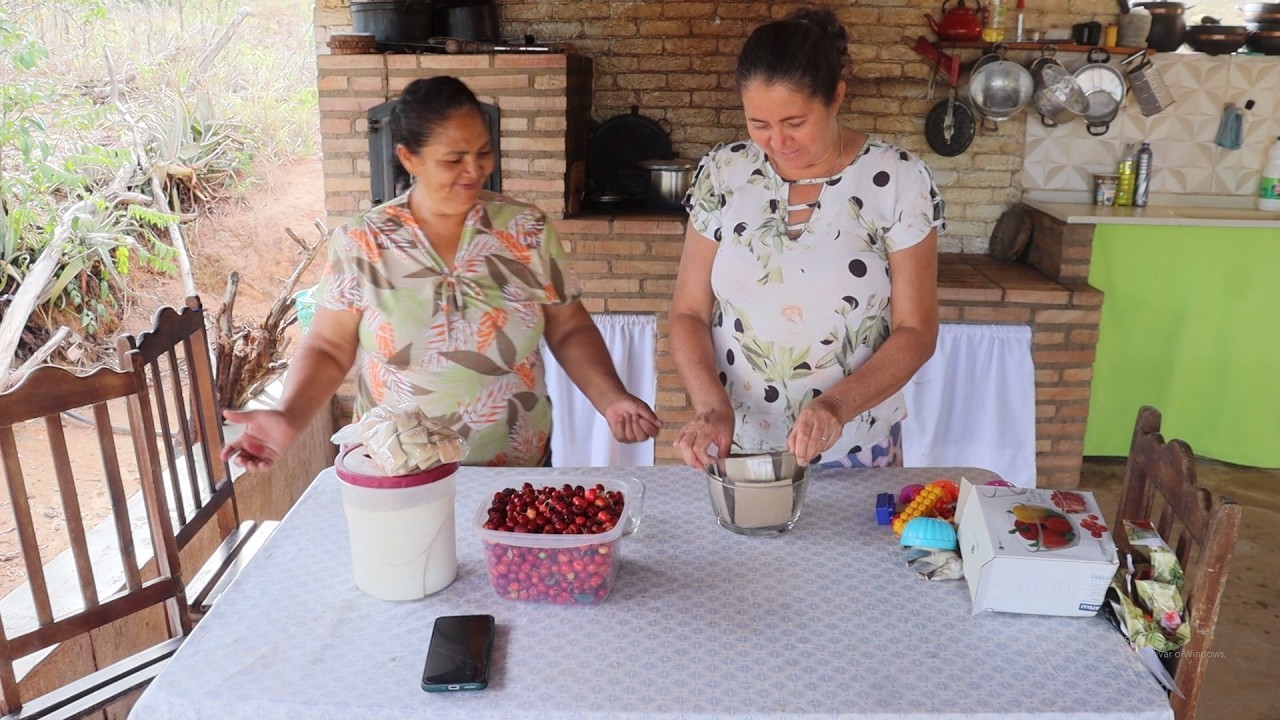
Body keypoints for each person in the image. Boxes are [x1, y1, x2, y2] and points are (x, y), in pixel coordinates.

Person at [223, 76, 660, 470]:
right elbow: (328, 347)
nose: (475, 170)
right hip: (397, 468)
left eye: (483, 153)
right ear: (409, 158)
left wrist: (611, 398)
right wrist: (289, 415)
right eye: (453, 159)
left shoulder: (524, 230)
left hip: (512, 467)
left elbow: (567, 326)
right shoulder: (365, 242)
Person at [669, 8, 944, 470]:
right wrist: (710, 407)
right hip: (736, 441)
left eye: (794, 122)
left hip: (853, 444)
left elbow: (916, 332)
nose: (777, 141)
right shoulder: (725, 172)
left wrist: (836, 406)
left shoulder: (898, 179)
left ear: (836, 97)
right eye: (759, 124)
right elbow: (688, 311)